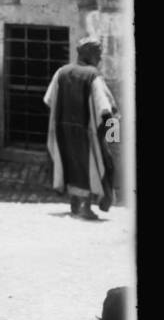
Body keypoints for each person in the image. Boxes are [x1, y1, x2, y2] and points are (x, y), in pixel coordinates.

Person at [45, 37, 119, 220]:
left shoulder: (61, 72)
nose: (100, 59)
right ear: (90, 55)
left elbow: (48, 100)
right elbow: (106, 109)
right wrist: (112, 138)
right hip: (86, 131)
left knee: (69, 164)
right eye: (98, 55)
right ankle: (85, 208)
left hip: (62, 129)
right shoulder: (93, 76)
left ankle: (75, 204)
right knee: (92, 166)